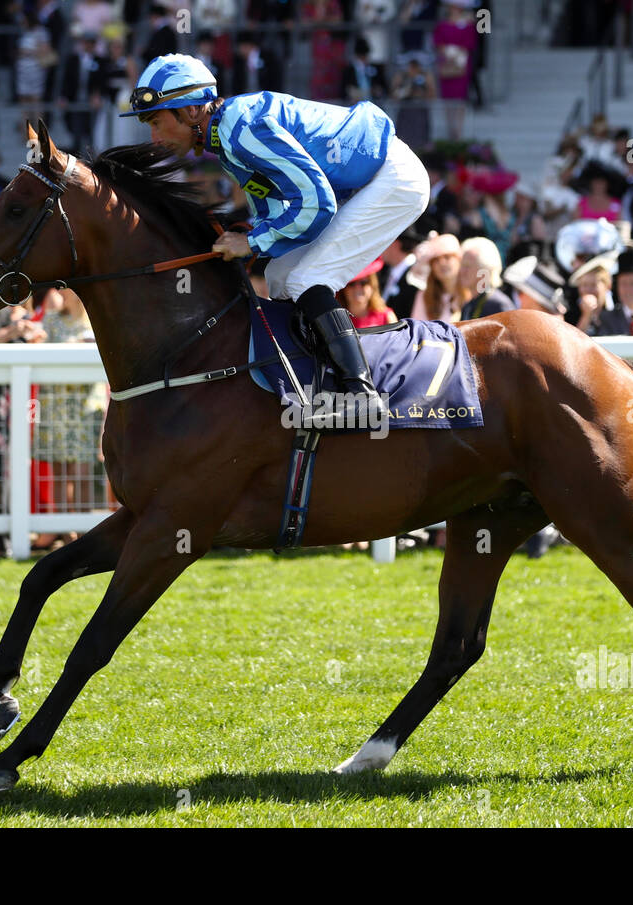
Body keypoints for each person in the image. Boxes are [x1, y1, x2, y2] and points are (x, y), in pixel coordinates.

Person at [121, 53, 431, 422]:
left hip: (393, 178)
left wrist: (252, 243)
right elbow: (274, 211)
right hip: (370, 180)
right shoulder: (227, 139)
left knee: (306, 278)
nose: (154, 138)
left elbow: (317, 202)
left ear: (191, 112)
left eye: (156, 122)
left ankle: (361, 395)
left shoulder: (241, 128)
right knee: (280, 275)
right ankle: (315, 383)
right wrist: (250, 235)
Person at [32, 288, 104, 550]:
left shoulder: (95, 319)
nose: (61, 290)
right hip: (56, 403)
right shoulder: (50, 320)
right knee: (60, 471)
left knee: (83, 472)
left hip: (85, 404)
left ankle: (85, 532)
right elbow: (40, 354)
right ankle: (65, 533)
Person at [433, 0, 477, 140]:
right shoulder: (442, 25)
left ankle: (458, 130)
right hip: (446, 63)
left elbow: (470, 43)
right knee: (447, 100)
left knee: (460, 99)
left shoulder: (468, 25)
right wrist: (448, 53)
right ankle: (450, 128)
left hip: (461, 64)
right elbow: (438, 42)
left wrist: (456, 53)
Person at [408, 232, 464, 321]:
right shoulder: (424, 296)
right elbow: (419, 329)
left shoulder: (470, 292)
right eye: (436, 260)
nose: (442, 263)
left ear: (459, 259)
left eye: (447, 257)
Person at [456, 236, 516, 320]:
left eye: (467, 266)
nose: (462, 271)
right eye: (461, 265)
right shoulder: (468, 305)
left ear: (484, 270)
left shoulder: (498, 305)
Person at [390, 51, 435, 152]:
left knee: (421, 140)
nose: (414, 68)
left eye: (416, 65)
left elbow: (432, 95)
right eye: (412, 65)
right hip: (406, 112)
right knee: (404, 139)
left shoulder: (425, 76)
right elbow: (394, 95)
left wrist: (421, 93)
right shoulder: (401, 76)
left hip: (420, 112)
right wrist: (406, 91)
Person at [337, 258, 397, 328]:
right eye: (352, 284)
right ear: (343, 288)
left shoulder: (387, 317)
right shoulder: (336, 320)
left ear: (372, 286)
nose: (357, 288)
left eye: (363, 283)